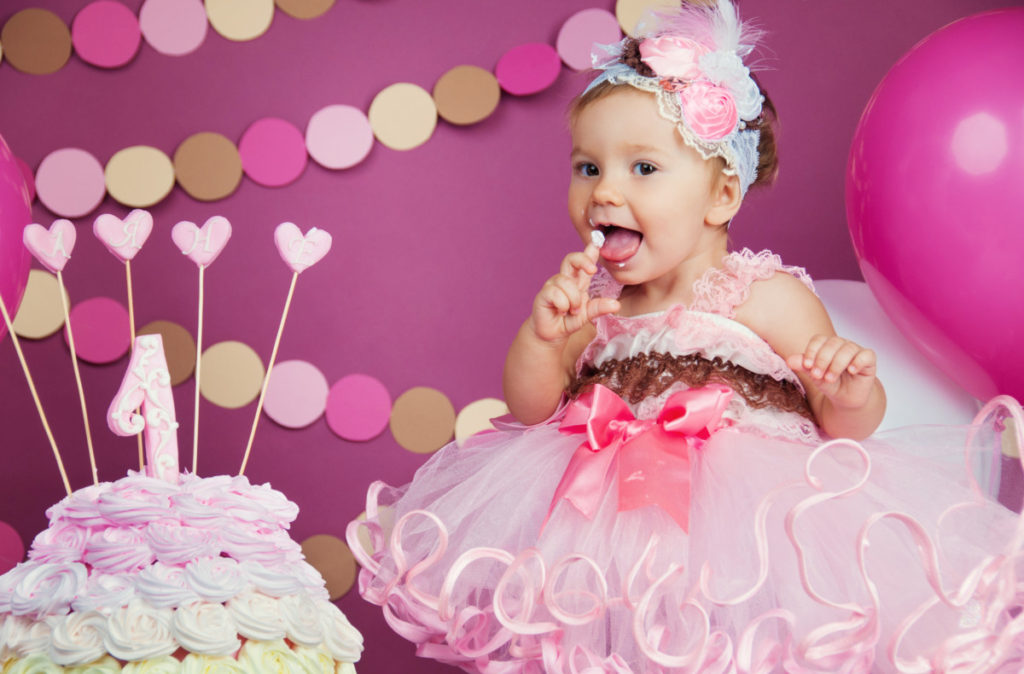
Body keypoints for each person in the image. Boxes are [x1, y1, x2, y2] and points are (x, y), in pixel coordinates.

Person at [347, 1, 1024, 671]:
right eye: (589, 167)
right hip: (601, 535)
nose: (606, 191)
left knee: (726, 650)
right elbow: (532, 410)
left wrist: (846, 387)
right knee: (607, 647)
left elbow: (842, 435)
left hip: (736, 538)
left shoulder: (764, 295)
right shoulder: (593, 305)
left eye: (643, 169)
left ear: (721, 196)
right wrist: (540, 336)